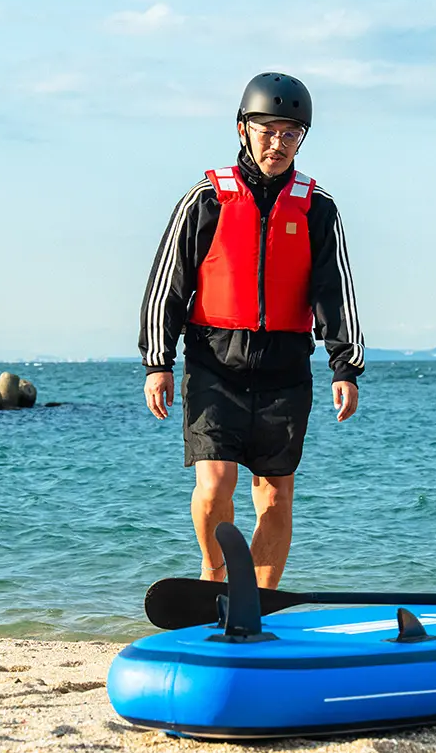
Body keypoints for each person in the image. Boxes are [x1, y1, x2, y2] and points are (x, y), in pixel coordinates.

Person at [139, 72, 365, 590]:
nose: (278, 143)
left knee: (275, 494)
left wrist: (344, 366)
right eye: (267, 131)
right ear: (243, 129)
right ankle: (215, 573)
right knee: (215, 484)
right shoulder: (206, 198)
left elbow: (336, 289)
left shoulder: (318, 207)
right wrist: (158, 362)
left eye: (290, 133)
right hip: (213, 361)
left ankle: (259, 600)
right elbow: (167, 283)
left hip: (285, 364)